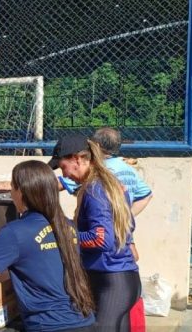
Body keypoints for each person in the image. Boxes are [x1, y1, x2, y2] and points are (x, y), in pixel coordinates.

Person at [0, 160, 96, 331]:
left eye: (12, 188)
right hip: (85, 320)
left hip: (49, 325)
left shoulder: (16, 231)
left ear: (21, 192)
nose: (11, 193)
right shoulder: (68, 226)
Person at [48, 135, 140, 331]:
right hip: (122, 279)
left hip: (111, 282)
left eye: (63, 167)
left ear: (78, 159)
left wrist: (66, 236)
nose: (64, 174)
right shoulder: (107, 184)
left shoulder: (94, 190)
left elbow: (101, 240)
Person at [59, 128, 153, 216]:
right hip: (121, 230)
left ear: (97, 146)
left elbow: (58, 184)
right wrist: (128, 218)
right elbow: (146, 195)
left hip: (99, 227)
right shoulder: (129, 169)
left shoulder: (99, 169)